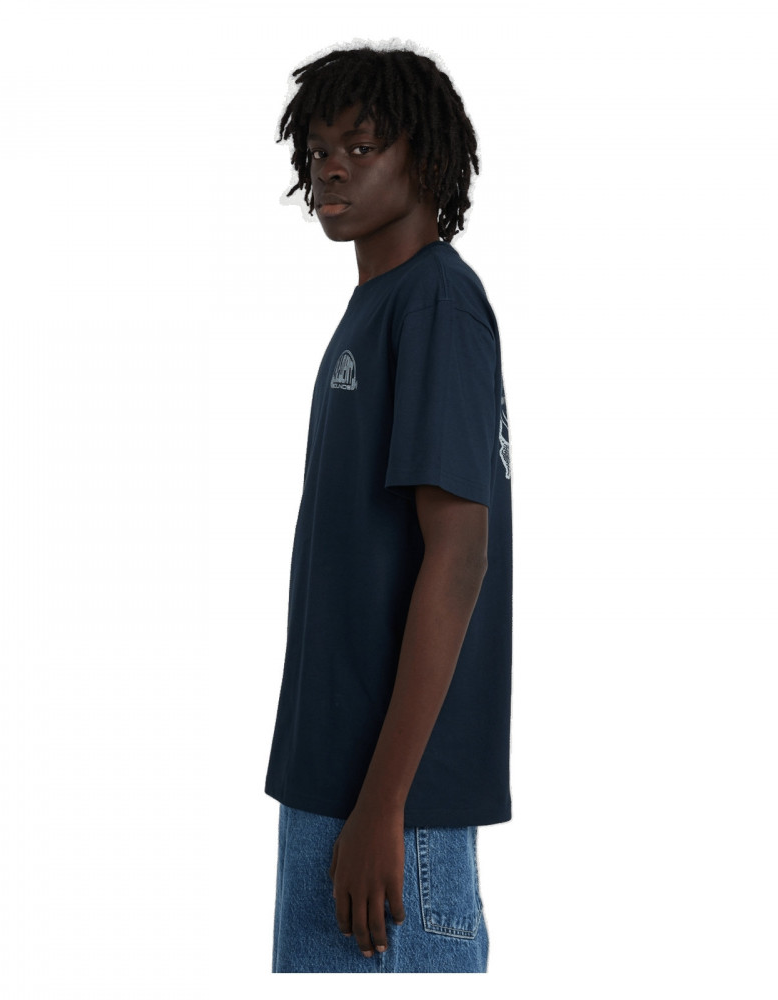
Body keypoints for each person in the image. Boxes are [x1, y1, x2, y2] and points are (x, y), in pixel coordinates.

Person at [265, 43, 513, 974]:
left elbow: (460, 555)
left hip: (393, 810)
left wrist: (382, 805)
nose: (332, 167)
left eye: (362, 146)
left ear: (428, 160)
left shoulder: (437, 303)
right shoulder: (377, 306)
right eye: (320, 149)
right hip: (336, 789)